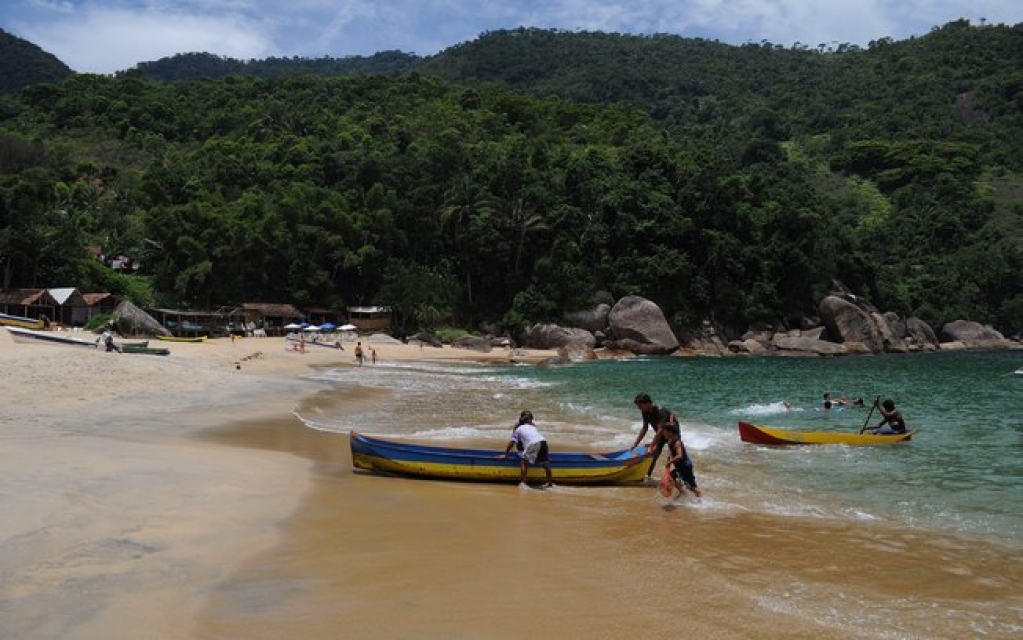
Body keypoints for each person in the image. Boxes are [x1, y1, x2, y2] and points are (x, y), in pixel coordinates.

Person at [631, 393, 682, 480]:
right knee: (653, 456)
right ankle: (647, 476)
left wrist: (651, 446)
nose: (639, 409)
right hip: (661, 436)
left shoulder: (661, 412)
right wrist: (635, 444)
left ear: (648, 403)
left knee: (675, 458)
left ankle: (680, 478)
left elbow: (660, 430)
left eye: (640, 406)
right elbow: (644, 428)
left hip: (672, 436)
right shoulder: (645, 412)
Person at [498, 410, 553, 487]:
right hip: (543, 441)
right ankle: (549, 483)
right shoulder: (532, 426)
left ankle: (524, 483)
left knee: (523, 461)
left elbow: (512, 442)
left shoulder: (518, 428)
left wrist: (506, 455)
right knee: (545, 463)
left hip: (533, 443)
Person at [664, 431, 702, 498]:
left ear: (670, 432)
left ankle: (701, 501)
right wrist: (668, 462)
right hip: (680, 466)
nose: (664, 433)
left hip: (685, 466)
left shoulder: (677, 443)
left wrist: (669, 462)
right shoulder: (670, 442)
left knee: (691, 487)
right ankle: (682, 492)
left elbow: (679, 455)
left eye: (665, 431)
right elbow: (670, 453)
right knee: (672, 476)